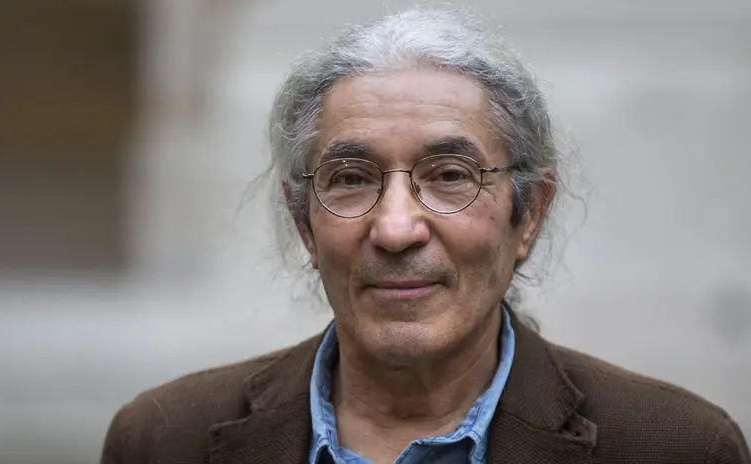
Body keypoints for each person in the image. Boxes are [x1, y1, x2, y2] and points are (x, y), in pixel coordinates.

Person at [100, 6, 750, 464]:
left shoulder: (672, 447)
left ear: (528, 216)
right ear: (303, 222)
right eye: (351, 178)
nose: (396, 227)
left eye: (449, 175)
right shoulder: (165, 441)